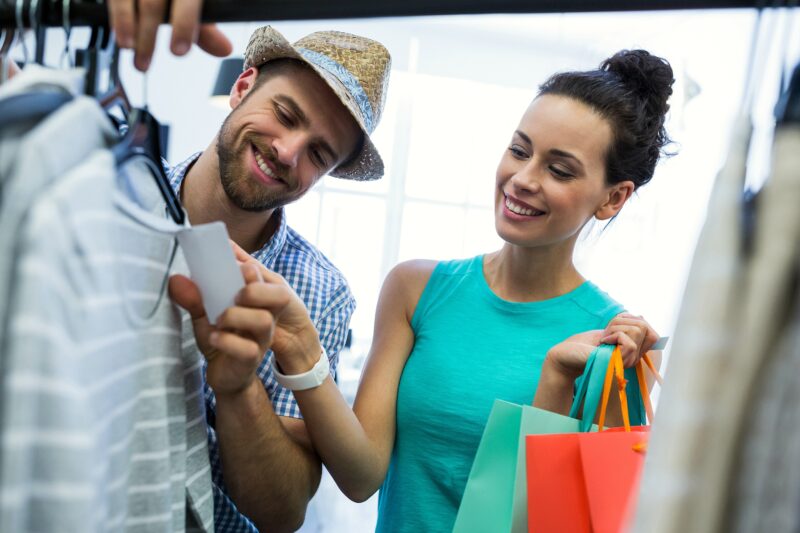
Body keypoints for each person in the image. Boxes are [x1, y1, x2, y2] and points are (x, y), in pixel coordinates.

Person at [209, 48, 674, 532]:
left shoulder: (617, 347)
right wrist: (297, 349)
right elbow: (360, 473)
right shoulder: (416, 289)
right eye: (519, 150)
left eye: (559, 170)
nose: (522, 179)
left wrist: (555, 380)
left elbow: (560, 521)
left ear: (613, 198)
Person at [160, 25, 391, 532]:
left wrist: (238, 388)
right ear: (242, 87)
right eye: (285, 115)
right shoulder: (120, 196)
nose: (288, 152)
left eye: (318, 154)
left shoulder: (319, 295)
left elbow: (281, 514)